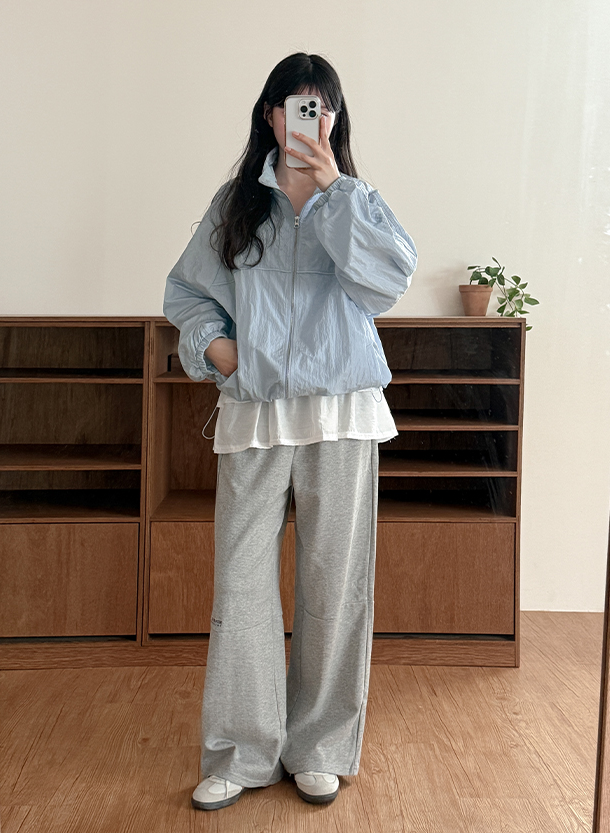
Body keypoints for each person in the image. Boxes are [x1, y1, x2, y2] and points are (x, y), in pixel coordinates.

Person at [162, 51, 417, 811]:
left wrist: (335, 192)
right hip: (256, 411)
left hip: (341, 410)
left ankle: (320, 748)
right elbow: (187, 292)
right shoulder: (236, 203)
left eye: (322, 104)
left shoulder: (356, 200)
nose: (310, 116)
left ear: (334, 119)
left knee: (335, 583)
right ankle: (241, 752)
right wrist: (220, 351)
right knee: (242, 584)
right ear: (270, 115)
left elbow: (388, 284)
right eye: (296, 104)